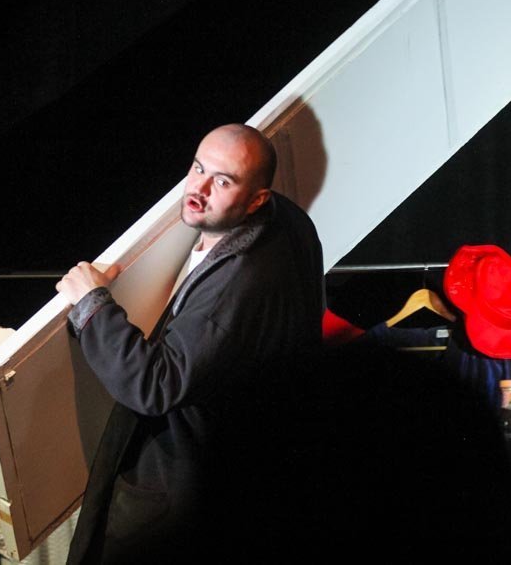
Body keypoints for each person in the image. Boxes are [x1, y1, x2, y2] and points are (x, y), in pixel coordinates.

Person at [55, 123, 325, 562]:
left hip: (188, 481)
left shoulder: (235, 291)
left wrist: (92, 304)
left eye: (223, 181)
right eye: (198, 168)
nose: (198, 190)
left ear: (258, 199)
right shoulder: (290, 218)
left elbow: (155, 384)